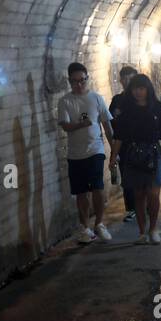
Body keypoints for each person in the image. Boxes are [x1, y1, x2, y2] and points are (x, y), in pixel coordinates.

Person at [108, 74, 161, 245]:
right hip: (133, 154)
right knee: (139, 195)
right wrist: (113, 157)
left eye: (141, 88)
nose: (138, 92)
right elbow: (119, 136)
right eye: (135, 89)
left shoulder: (157, 107)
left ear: (148, 89)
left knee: (153, 194)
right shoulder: (127, 109)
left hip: (153, 153)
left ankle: (153, 228)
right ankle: (142, 232)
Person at [56, 62, 114, 243]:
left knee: (97, 187)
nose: (79, 85)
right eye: (74, 82)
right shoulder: (65, 101)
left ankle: (99, 223)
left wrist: (114, 149)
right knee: (81, 192)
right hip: (75, 154)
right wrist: (81, 124)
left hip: (95, 149)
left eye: (82, 80)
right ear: (69, 82)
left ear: (87, 78)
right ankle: (85, 227)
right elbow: (65, 126)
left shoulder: (96, 98)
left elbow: (106, 124)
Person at [107, 64, 139, 223]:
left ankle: (144, 205)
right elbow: (112, 121)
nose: (127, 81)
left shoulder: (141, 99)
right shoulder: (117, 100)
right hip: (124, 145)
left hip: (140, 144)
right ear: (120, 80)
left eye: (130, 78)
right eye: (124, 78)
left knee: (142, 176)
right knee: (127, 178)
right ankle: (131, 208)